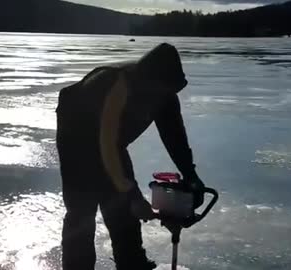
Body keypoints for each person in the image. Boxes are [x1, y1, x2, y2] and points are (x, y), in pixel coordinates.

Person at [56, 43, 205, 270]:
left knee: (122, 209)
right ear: (148, 80)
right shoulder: (117, 86)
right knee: (82, 209)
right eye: (160, 89)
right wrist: (132, 195)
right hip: (76, 135)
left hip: (113, 141)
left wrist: (191, 174)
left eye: (169, 91)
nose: (163, 96)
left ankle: (132, 262)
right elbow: (106, 146)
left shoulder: (165, 93)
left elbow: (175, 137)